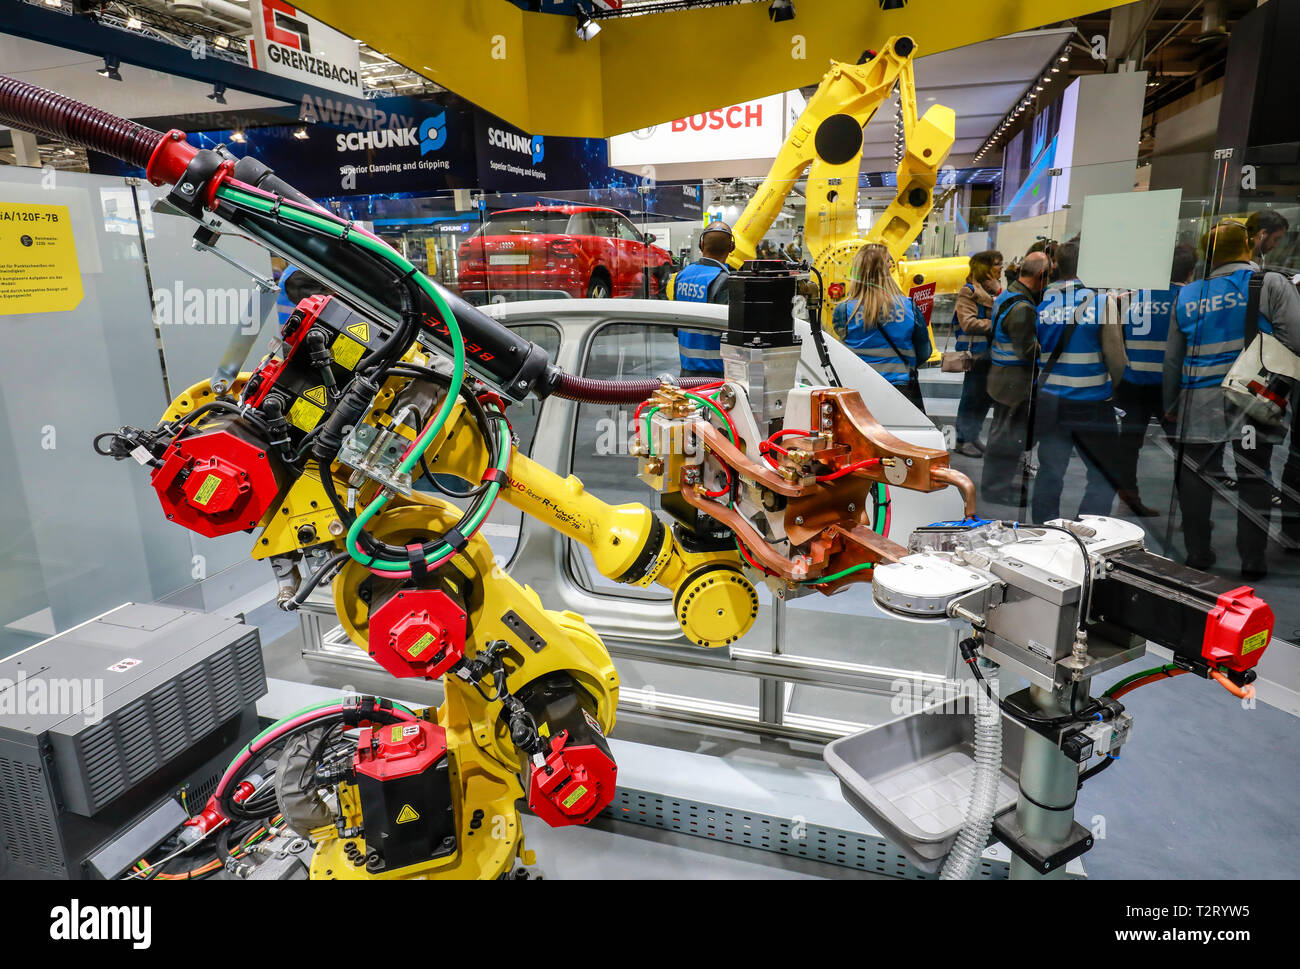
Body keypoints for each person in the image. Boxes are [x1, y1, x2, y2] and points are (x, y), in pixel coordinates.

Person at [1165, 219, 1300, 578]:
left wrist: (1170, 405)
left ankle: (1197, 553)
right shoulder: (1268, 283)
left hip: (1198, 398)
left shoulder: (1189, 294)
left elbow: (1173, 360)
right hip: (1252, 399)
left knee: (1196, 475)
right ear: (1247, 246)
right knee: (1254, 475)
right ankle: (1252, 559)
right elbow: (1295, 341)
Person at [1029, 242, 1127, 524]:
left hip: (1051, 402)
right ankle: (1089, 532)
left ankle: (1046, 530)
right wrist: (1113, 389)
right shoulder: (1100, 302)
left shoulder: (1045, 301)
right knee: (1102, 473)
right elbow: (1116, 359)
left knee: (1050, 472)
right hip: (1092, 403)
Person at [1111, 245, 1197, 518]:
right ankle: (1189, 514)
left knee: (1128, 445)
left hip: (1131, 381)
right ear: (1190, 271)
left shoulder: (1133, 297)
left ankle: (1129, 500)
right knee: (1183, 450)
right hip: (1166, 386)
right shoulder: (1184, 297)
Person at [981, 251, 1052, 505]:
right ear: (1041, 276)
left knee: (1002, 434)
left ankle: (996, 486)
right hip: (1013, 382)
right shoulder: (1023, 307)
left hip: (1002, 377)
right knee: (1007, 439)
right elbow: (1028, 350)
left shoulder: (1008, 294)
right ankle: (996, 490)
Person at [830, 243, 931, 411]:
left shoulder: (843, 311)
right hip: (900, 388)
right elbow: (924, 352)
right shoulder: (908, 307)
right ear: (886, 271)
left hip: (858, 390)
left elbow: (841, 350)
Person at [951, 250, 1003, 456]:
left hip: (992, 354)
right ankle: (963, 440)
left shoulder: (994, 292)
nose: (1001, 268)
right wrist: (998, 323)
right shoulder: (969, 291)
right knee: (972, 398)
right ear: (985, 267)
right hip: (976, 354)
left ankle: (973, 437)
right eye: (997, 264)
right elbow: (968, 322)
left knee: (983, 399)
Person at [668, 221, 736, 374]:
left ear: (701, 244)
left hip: (685, 369)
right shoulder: (723, 280)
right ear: (731, 248)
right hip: (714, 374)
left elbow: (675, 328)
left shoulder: (682, 275)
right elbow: (731, 333)